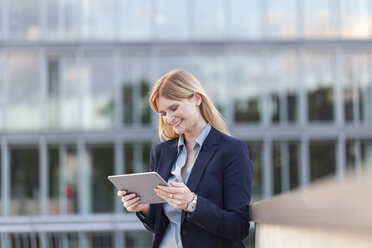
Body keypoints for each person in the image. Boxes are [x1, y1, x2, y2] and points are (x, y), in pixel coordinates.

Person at [117, 69, 253, 248]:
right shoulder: (161, 153)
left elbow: (238, 226)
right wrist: (144, 208)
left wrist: (192, 203)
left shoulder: (232, 150)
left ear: (197, 98)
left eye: (174, 108)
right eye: (163, 113)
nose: (169, 119)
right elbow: (162, 225)